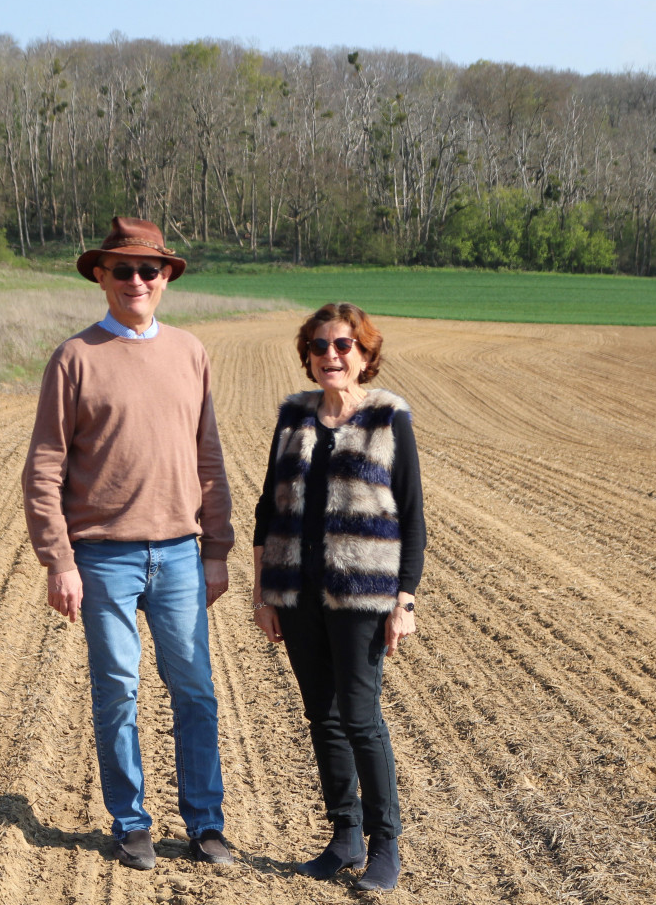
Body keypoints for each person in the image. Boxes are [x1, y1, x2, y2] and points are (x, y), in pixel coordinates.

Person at [22, 216, 235, 870]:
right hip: (103, 557)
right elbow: (45, 466)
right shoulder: (75, 358)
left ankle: (205, 825)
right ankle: (131, 823)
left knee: (195, 690)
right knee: (117, 690)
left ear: (166, 277)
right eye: (123, 270)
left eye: (149, 269)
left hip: (178, 554)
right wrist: (59, 560)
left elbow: (209, 456)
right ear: (101, 277)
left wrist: (218, 549)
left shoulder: (190, 352)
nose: (137, 280)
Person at [252, 302, 425, 892]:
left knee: (359, 716)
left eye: (344, 345)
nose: (331, 355)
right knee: (321, 717)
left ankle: (385, 845)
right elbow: (268, 508)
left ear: (365, 355)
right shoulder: (293, 417)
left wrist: (403, 601)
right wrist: (263, 593)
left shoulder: (387, 418)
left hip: (362, 595)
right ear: (307, 355)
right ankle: (344, 837)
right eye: (320, 346)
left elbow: (412, 516)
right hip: (296, 593)